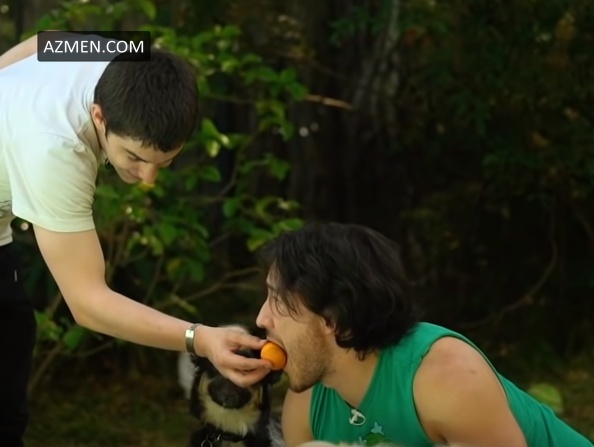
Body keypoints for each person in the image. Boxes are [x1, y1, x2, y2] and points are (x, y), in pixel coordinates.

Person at [0, 32, 271, 446]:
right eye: (135, 158)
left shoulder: (131, 53)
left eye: (166, 161)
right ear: (99, 116)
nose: (148, 179)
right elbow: (87, 303)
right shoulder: (55, 147)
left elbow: (43, 43)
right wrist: (199, 338)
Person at [254, 222, 594, 447]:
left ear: (332, 319)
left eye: (277, 301)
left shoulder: (448, 379)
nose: (261, 318)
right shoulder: (308, 401)